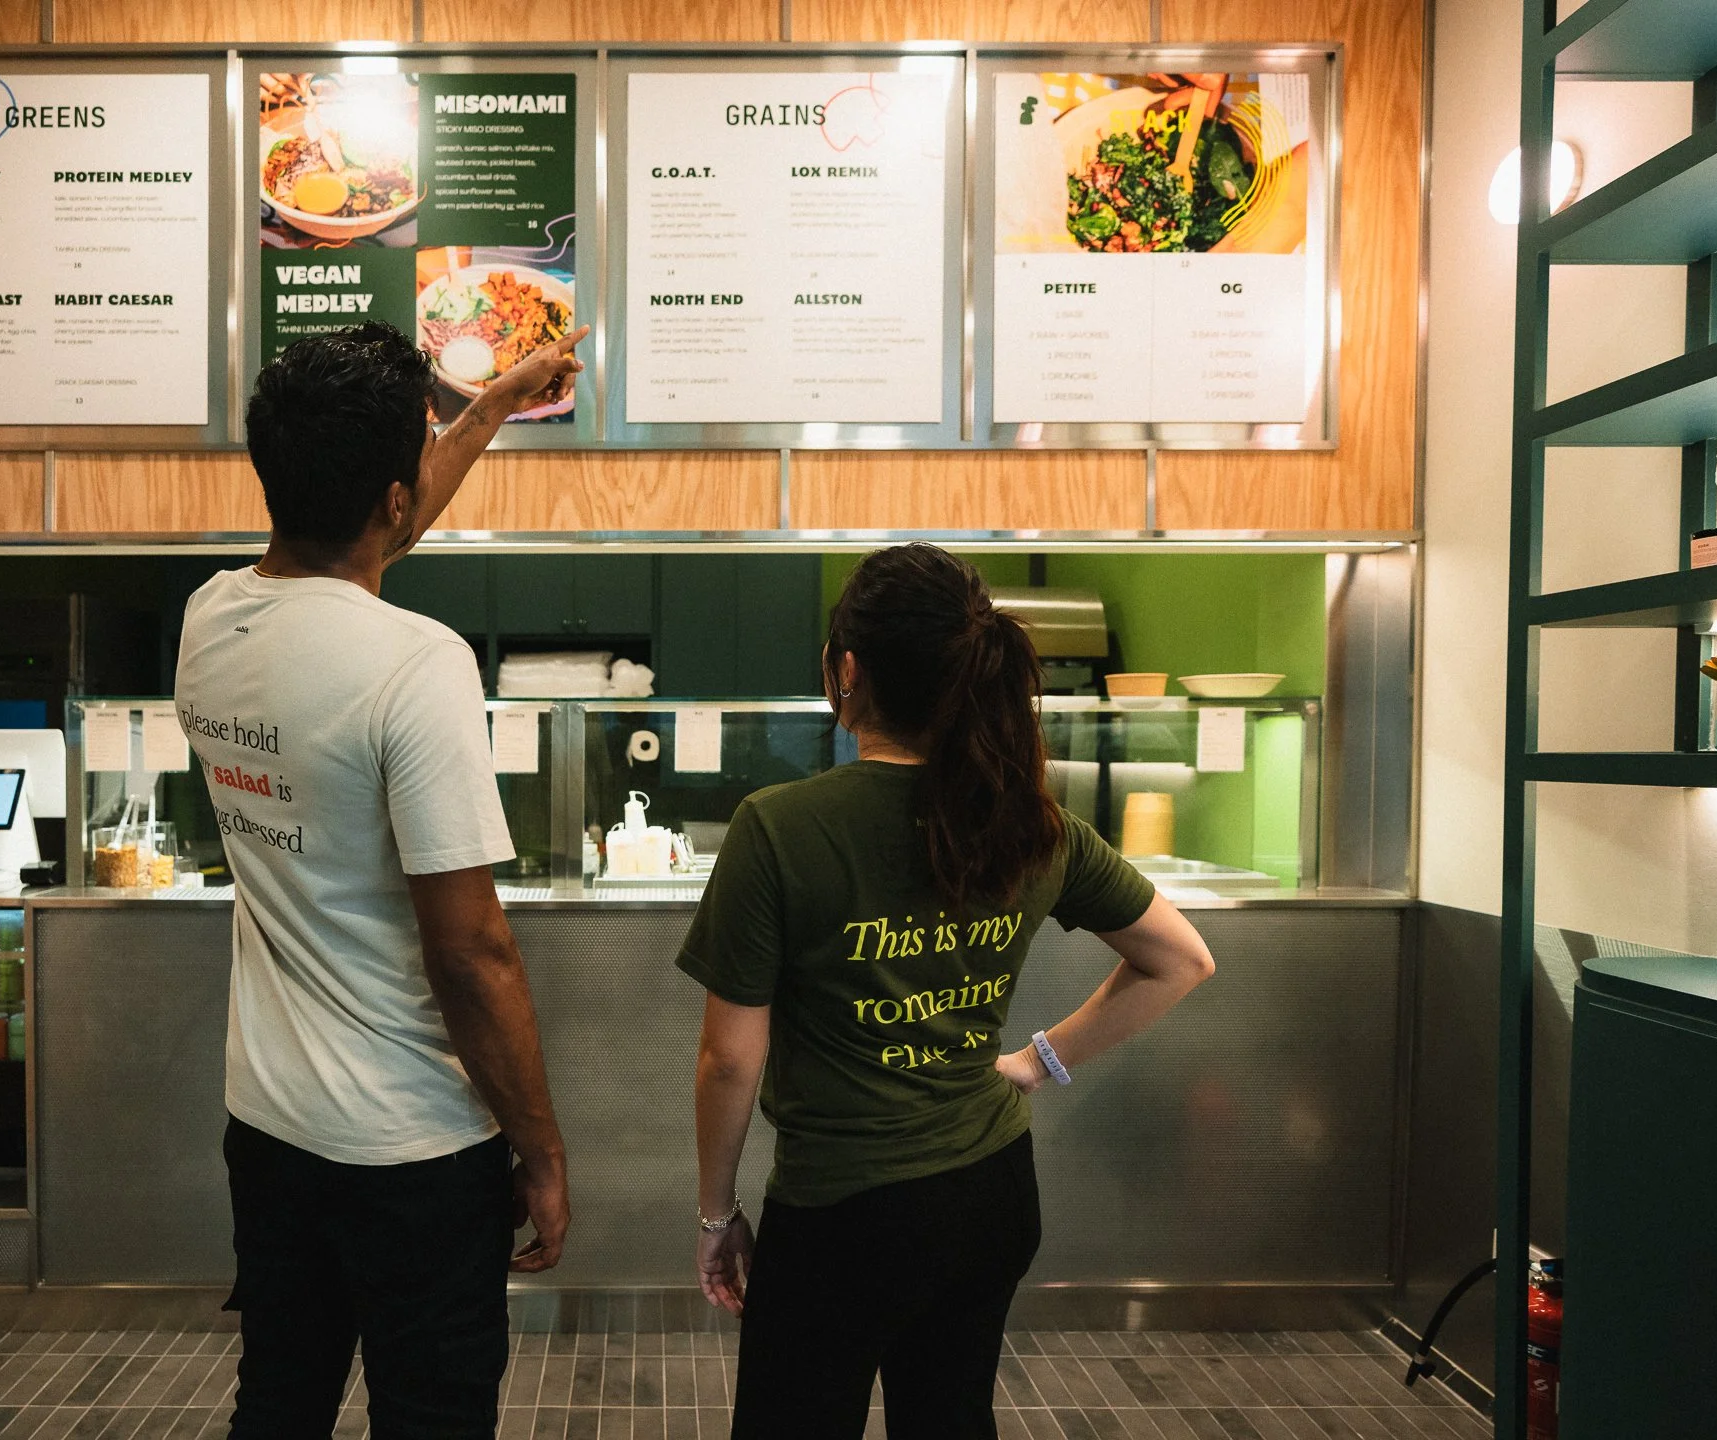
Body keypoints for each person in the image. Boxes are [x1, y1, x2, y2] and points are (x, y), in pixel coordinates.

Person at [678, 543, 1217, 1440]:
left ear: (846, 671)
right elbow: (1181, 959)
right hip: (990, 1191)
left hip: (842, 1213)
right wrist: (1040, 1062)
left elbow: (730, 1060)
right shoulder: (1034, 823)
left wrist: (716, 1212)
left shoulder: (778, 828)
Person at [175, 319, 587, 1439]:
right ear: (396, 500)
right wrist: (539, 1148)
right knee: (434, 1416)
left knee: (281, 1399)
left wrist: (492, 404)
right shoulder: (418, 666)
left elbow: (373, 530)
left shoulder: (209, 619)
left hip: (268, 1130)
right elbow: (471, 950)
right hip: (415, 1150)